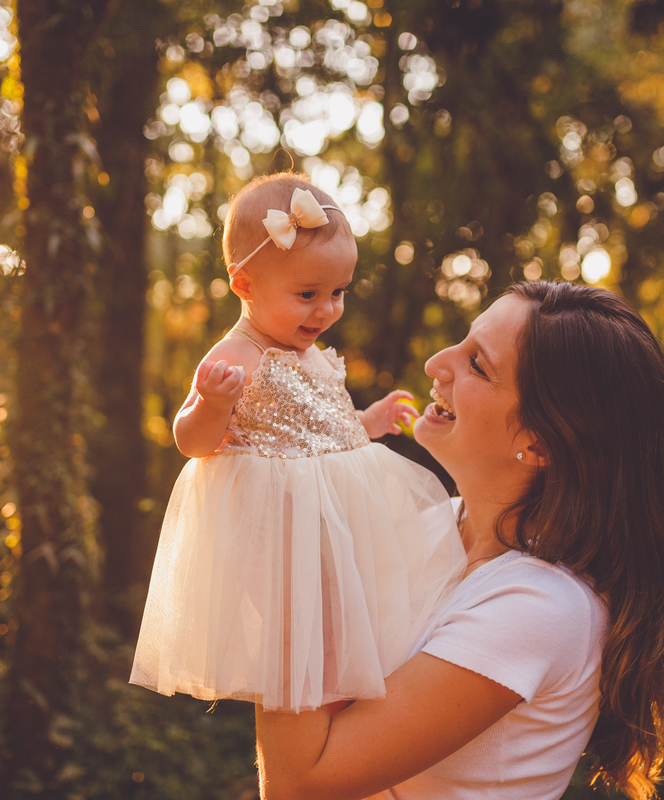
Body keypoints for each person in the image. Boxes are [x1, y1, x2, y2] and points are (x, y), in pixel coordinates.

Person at [256, 280, 664, 800]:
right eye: (462, 342)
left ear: (538, 441)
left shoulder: (540, 607)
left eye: (477, 364)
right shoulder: (430, 525)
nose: (436, 363)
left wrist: (297, 547)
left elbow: (299, 784)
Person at [130, 173, 466, 713]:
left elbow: (323, 422)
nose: (326, 310)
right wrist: (213, 406)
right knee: (304, 629)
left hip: (336, 514)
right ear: (244, 284)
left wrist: (369, 421)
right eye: (307, 294)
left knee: (361, 609)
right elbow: (190, 441)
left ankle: (358, 709)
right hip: (279, 527)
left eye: (337, 293)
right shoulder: (235, 357)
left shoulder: (310, 353)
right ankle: (316, 728)